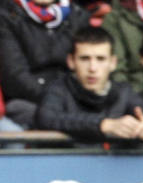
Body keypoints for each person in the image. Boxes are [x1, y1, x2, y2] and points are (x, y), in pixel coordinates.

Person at [35, 24, 143, 144]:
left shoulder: (123, 92)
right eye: (85, 59)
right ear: (71, 61)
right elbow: (47, 118)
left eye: (100, 59)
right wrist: (104, 125)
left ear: (113, 63)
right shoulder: (58, 89)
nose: (92, 68)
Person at [0, 0, 93, 131]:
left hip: (74, 101)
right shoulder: (6, 15)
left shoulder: (79, 15)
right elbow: (14, 76)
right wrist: (57, 100)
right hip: (29, 101)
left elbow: (89, 67)